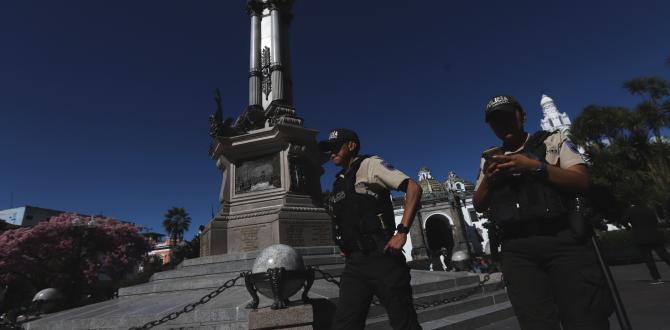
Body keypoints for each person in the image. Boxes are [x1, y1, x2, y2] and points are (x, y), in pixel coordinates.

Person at [473, 95, 614, 330]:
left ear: (523, 116)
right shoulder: (489, 158)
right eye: (495, 120)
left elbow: (580, 180)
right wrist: (488, 178)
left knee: (585, 317)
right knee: (535, 321)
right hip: (517, 250)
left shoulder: (553, 140)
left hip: (562, 240)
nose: (503, 124)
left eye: (508, 116)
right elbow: (479, 203)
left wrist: (534, 167)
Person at [319, 128, 423, 330]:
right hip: (355, 263)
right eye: (328, 149)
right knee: (344, 324)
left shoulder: (369, 165)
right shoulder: (339, 182)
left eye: (335, 147)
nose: (331, 153)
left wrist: (402, 232)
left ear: (351, 145)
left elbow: (413, 188)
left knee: (404, 323)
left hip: (381, 257)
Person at [623, 203, 670, 284]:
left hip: (641, 237)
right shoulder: (649, 209)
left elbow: (624, 221)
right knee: (664, 255)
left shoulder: (631, 210)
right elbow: (656, 221)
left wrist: (629, 227)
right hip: (655, 235)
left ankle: (657, 278)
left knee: (648, 258)